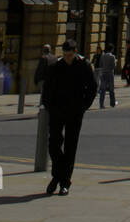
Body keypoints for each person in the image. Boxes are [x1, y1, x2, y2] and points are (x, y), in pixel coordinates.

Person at [41, 38, 98, 195]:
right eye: (65, 55)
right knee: (53, 144)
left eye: (69, 55)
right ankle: (58, 175)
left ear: (75, 52)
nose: (66, 58)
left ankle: (64, 182)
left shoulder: (84, 65)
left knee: (70, 147)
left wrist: (84, 106)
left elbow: (93, 87)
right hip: (57, 110)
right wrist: (48, 105)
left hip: (75, 111)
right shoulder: (56, 66)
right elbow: (47, 87)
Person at [98, 43, 117, 108]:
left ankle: (101, 104)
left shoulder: (103, 56)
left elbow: (100, 64)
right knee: (111, 89)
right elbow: (114, 66)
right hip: (110, 74)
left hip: (103, 73)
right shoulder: (112, 56)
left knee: (103, 89)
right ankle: (112, 103)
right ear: (112, 49)